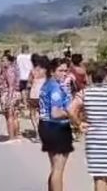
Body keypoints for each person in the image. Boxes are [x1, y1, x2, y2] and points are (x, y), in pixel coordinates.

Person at [69, 64, 107, 191]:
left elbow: (71, 110)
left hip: (95, 142)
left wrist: (79, 123)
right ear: (106, 77)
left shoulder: (84, 93)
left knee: (99, 178)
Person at [39, 58, 73, 191]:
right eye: (60, 70)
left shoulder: (47, 84)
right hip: (56, 127)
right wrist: (71, 113)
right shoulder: (55, 88)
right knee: (58, 170)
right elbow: (56, 113)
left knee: (54, 168)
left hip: (45, 125)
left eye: (66, 70)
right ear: (52, 71)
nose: (64, 73)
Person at [0, 54, 21, 142]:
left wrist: (9, 99)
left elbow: (11, 85)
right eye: (2, 60)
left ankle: (11, 137)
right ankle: (16, 136)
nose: (2, 62)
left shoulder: (9, 71)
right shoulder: (13, 69)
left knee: (9, 116)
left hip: (9, 94)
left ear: (9, 61)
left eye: (4, 60)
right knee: (15, 115)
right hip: (15, 94)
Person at [28, 54, 47, 142]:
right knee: (42, 114)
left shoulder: (32, 71)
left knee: (32, 114)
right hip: (43, 94)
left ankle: (37, 133)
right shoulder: (44, 71)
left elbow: (29, 83)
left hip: (33, 94)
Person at [16, 45, 33, 109]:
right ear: (27, 49)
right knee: (29, 90)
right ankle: (29, 104)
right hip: (29, 75)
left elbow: (16, 65)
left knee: (22, 90)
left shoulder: (18, 57)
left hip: (21, 76)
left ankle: (25, 104)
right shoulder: (30, 56)